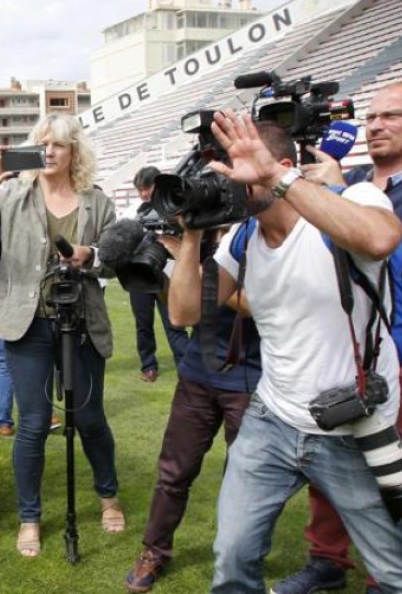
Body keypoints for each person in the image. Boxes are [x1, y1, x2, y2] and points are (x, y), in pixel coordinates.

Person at [166, 113, 402, 594]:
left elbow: (380, 239)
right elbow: (184, 312)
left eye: (238, 169)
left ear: (283, 166)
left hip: (352, 424)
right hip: (272, 418)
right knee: (232, 554)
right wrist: (191, 233)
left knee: (392, 566)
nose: (229, 181)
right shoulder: (242, 237)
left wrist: (274, 177)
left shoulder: (354, 197)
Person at [0, 113, 125, 558]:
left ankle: (108, 496)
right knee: (32, 423)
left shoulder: (97, 201)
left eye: (58, 144)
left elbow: (115, 258)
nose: (48, 151)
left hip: (81, 322)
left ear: (74, 151)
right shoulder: (11, 193)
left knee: (90, 418)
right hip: (27, 325)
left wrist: (90, 255)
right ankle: (30, 517)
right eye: (42, 143)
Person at [272, 81, 402, 594]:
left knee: (393, 474)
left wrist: (341, 194)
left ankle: (384, 576)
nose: (376, 125)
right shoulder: (354, 182)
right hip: (347, 348)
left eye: (391, 115)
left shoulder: (356, 189)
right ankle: (327, 560)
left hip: (396, 347)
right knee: (329, 458)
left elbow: (382, 250)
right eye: (371, 117)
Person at [124, 234, 263, 593]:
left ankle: (237, 560)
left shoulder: (258, 231)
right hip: (197, 372)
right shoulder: (201, 232)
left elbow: (256, 304)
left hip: (251, 376)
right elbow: (180, 311)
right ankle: (154, 551)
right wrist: (171, 261)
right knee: (173, 471)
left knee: (244, 482)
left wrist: (196, 266)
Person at [127, 166, 190, 382]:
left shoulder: (178, 210)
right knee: (143, 324)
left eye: (148, 188)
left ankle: (187, 368)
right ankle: (148, 366)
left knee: (175, 323)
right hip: (140, 274)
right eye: (140, 190)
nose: (144, 194)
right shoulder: (139, 213)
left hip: (169, 274)